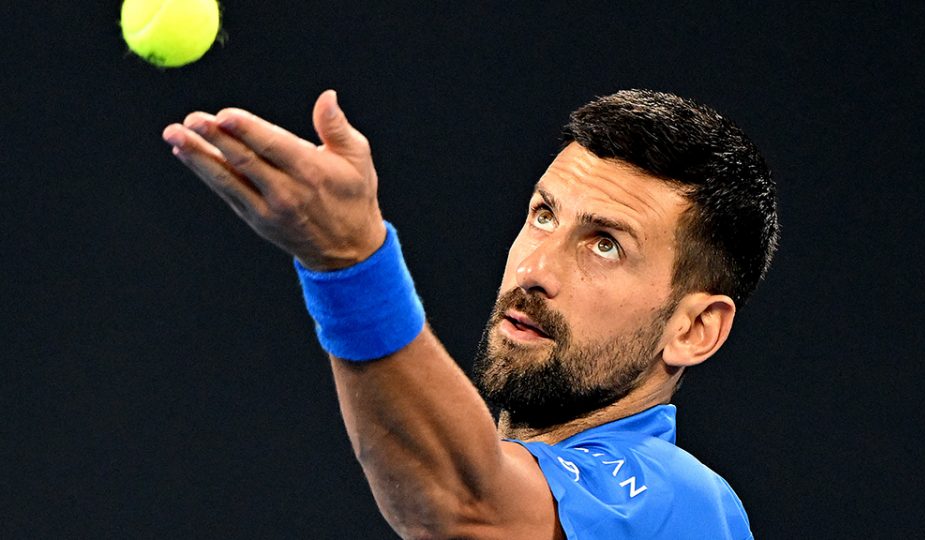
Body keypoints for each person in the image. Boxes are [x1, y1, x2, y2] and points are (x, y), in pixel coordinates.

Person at [162, 88, 778, 539]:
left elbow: (462, 507)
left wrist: (350, 262)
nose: (536, 269)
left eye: (606, 245)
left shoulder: (684, 508)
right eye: (543, 214)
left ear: (695, 329)